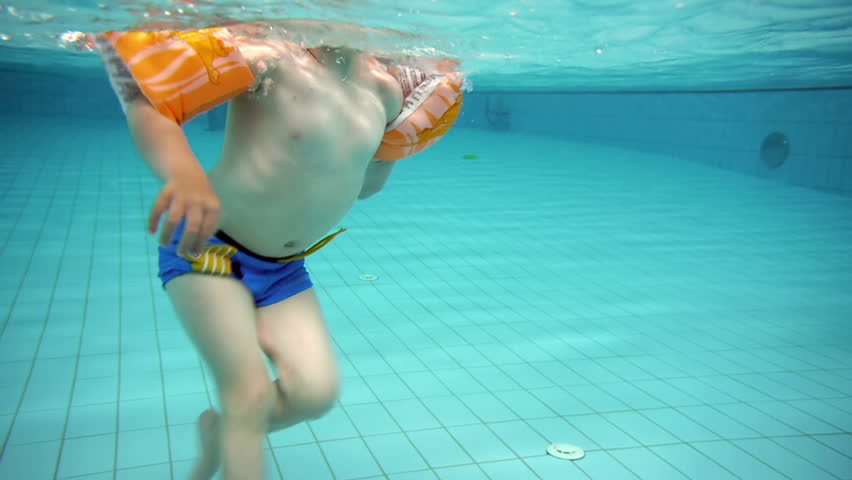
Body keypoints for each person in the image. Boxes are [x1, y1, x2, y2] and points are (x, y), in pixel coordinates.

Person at [94, 21, 464, 480]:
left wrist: (409, 134)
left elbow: (366, 187)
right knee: (248, 395)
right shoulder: (270, 58)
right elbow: (146, 99)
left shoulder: (387, 93)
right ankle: (233, 428)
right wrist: (184, 174)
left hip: (285, 270)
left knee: (315, 394)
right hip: (209, 248)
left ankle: (221, 429)